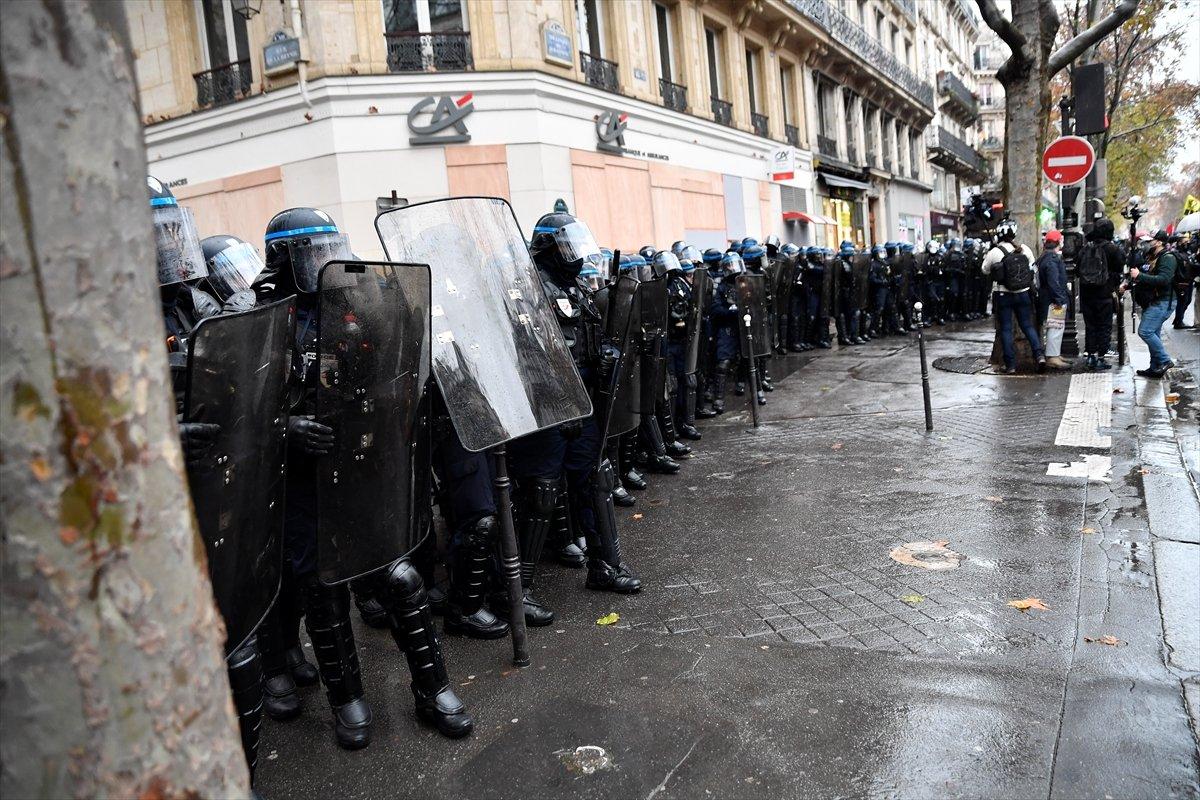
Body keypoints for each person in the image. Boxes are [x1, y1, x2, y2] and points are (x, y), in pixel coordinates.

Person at [253, 207, 472, 748]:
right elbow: (241, 409)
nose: (326, 262)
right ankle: (347, 699)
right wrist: (285, 426)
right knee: (320, 589)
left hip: (362, 467)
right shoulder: (263, 318)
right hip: (301, 481)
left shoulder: (357, 304)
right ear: (282, 259)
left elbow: (396, 370)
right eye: (311, 252)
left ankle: (432, 687)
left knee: (398, 577)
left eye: (330, 248)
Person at [982, 219, 1046, 374]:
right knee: (1027, 326)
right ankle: (1039, 356)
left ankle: (1010, 365)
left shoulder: (995, 252)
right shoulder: (1024, 249)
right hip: (1023, 293)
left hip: (1003, 294)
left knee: (1006, 329)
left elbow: (984, 269)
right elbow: (1033, 268)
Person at [1128, 229, 1178, 378]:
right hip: (1153, 300)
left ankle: (1164, 360)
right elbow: (1147, 277)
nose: (1148, 243)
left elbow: (1164, 279)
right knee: (1153, 333)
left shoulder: (1168, 258)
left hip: (1163, 301)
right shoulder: (1152, 256)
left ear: (1159, 242)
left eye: (1151, 241)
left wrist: (1140, 276)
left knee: (1145, 331)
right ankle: (1155, 367)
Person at [1077, 218, 1124, 370]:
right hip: (1105, 293)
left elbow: (1078, 269)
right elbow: (1120, 267)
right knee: (1104, 326)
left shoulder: (1085, 248)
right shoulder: (1112, 249)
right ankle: (1101, 357)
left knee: (1090, 326)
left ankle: (1090, 355)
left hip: (1086, 294)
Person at [1035, 230, 1070, 369]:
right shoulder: (1052, 259)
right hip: (1054, 299)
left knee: (1054, 327)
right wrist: (1060, 299)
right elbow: (1053, 281)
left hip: (1047, 298)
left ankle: (1054, 354)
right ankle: (1053, 356)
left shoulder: (1044, 257)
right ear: (1058, 242)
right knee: (1055, 327)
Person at [1172, 234, 1196, 329]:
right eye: (1184, 242)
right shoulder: (1176, 254)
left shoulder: (1188, 253)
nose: (1187, 243)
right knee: (1182, 301)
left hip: (1188, 280)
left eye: (1187, 241)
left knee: (1187, 300)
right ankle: (1178, 321)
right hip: (1181, 281)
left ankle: (1178, 319)